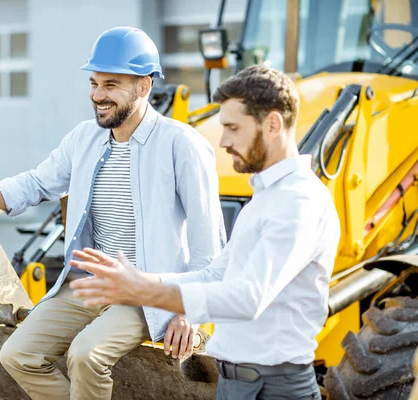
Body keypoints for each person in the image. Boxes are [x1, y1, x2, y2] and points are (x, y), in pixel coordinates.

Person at [0, 26, 225, 400]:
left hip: (145, 294)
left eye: (110, 85)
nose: (97, 96)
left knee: (86, 355)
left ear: (143, 86)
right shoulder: (83, 139)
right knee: (18, 354)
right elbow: (36, 183)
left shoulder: (182, 145)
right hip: (89, 285)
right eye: (94, 83)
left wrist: (190, 313)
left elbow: (209, 247)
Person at [69, 65, 341, 399]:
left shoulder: (298, 202)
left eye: (232, 128)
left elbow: (246, 298)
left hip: (276, 388)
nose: (224, 141)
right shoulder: (266, 198)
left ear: (272, 124)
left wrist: (143, 292)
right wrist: (141, 282)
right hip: (236, 381)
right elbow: (215, 274)